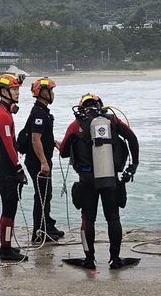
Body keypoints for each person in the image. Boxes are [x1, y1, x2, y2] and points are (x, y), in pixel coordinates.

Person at [59, 93, 139, 269]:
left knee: (88, 219)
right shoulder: (113, 121)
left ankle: (89, 260)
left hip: (87, 180)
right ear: (100, 106)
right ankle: (115, 259)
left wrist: (59, 143)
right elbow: (132, 139)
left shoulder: (76, 125)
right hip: (110, 177)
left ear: (81, 108)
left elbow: (64, 152)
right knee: (113, 218)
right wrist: (133, 166)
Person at [0, 73, 28, 261]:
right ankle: (5, 249)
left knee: (10, 208)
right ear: (3, 92)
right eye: (14, 89)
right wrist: (19, 169)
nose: (17, 93)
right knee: (8, 208)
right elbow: (8, 146)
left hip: (4, 165)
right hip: (5, 167)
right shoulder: (2, 115)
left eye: (18, 89)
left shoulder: (1, 111)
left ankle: (7, 245)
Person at [24, 77, 64, 243]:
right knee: (41, 196)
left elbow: (41, 137)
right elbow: (35, 139)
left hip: (42, 159)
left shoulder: (43, 111)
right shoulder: (39, 113)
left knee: (46, 195)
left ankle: (47, 224)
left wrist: (53, 143)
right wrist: (43, 162)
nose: (53, 94)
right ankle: (39, 232)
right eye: (51, 91)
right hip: (37, 162)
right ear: (43, 93)